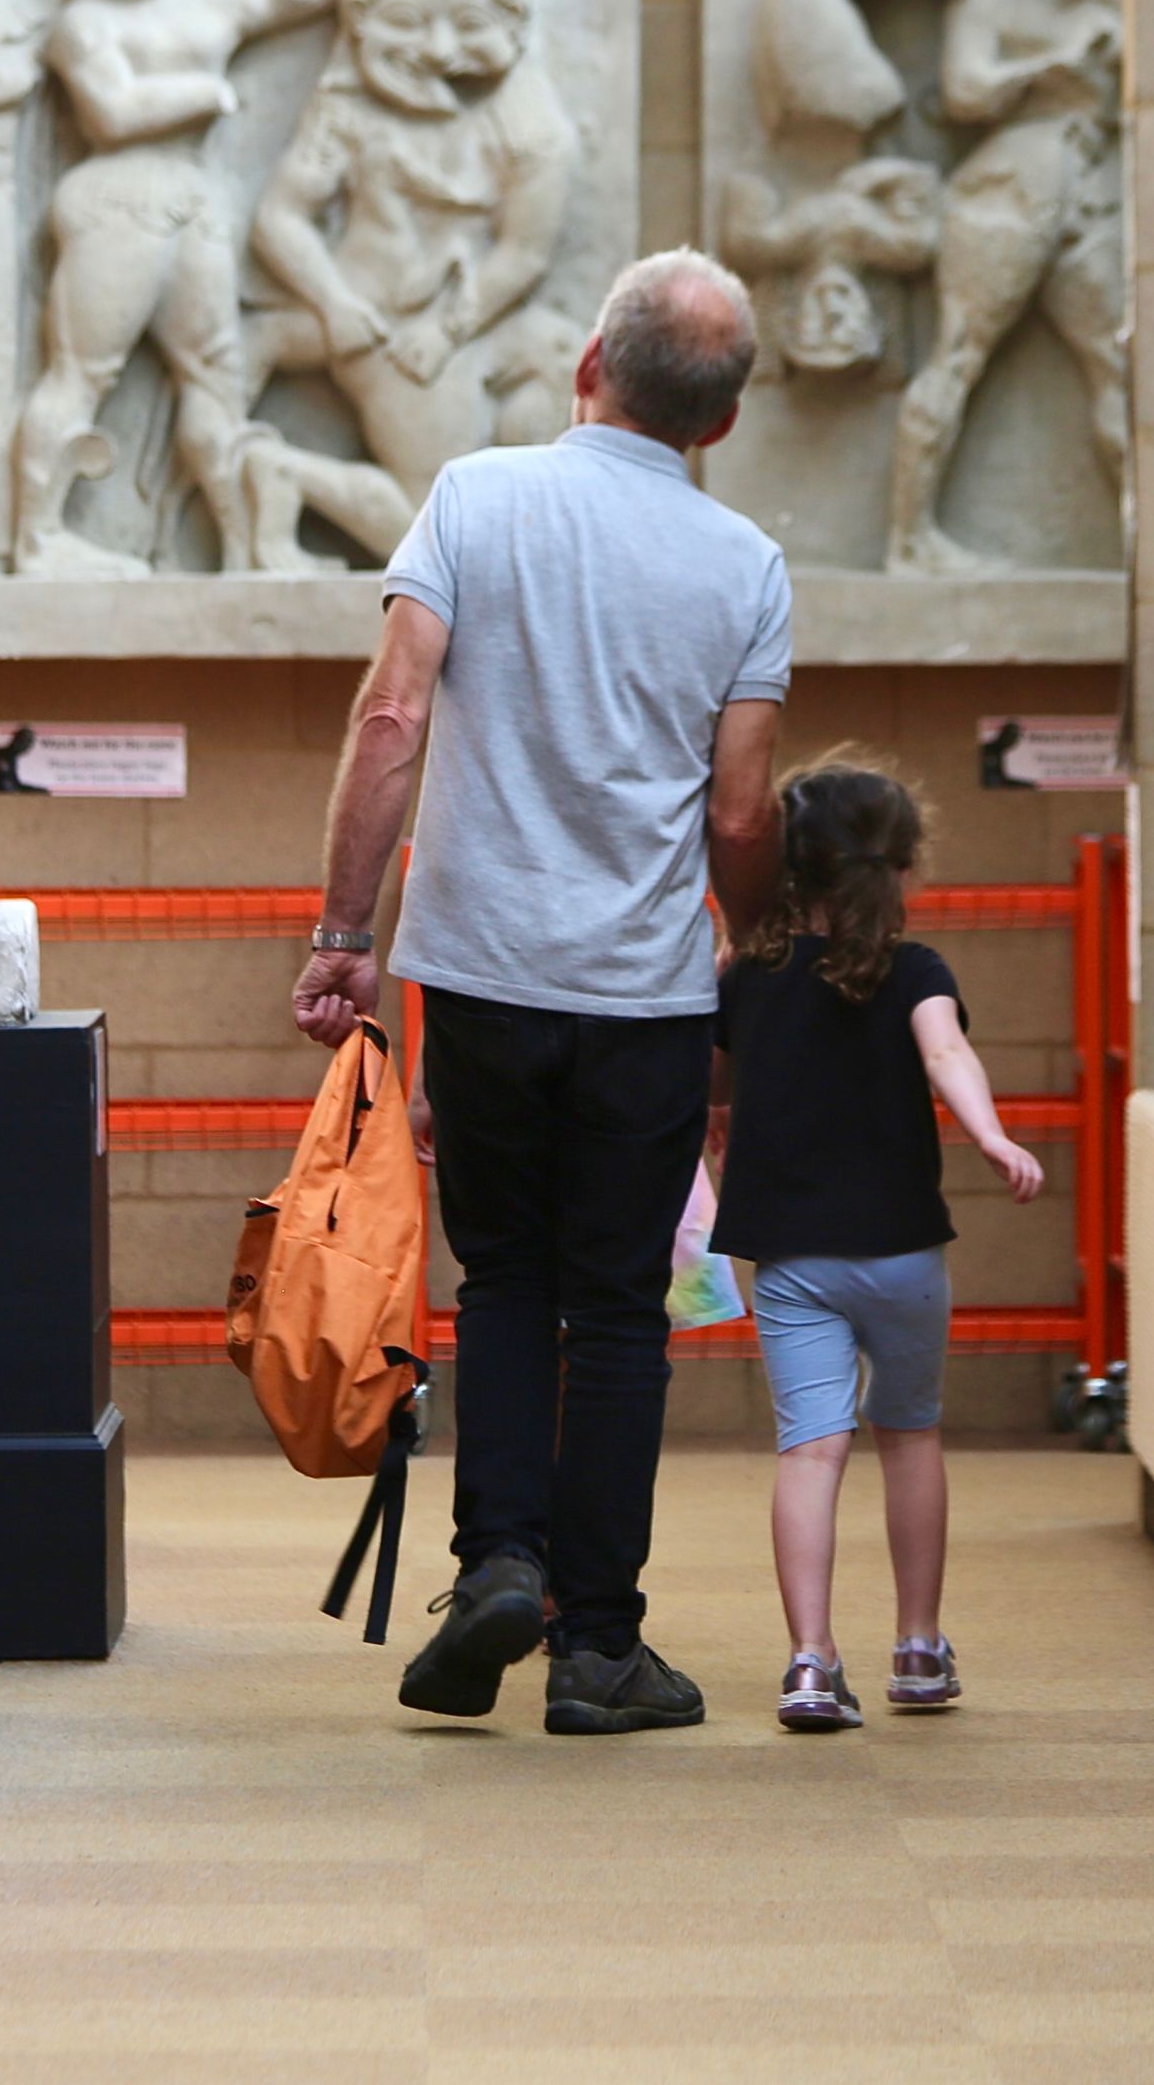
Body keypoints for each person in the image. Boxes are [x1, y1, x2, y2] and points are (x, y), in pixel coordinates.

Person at [292, 249, 790, 1733]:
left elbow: (393, 712)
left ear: (588, 362)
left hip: (484, 977)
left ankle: (498, 1558)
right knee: (618, 1312)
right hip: (644, 993)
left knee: (501, 1279)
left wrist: (341, 928)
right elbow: (746, 814)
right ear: (722, 421)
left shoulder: (477, 496)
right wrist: (748, 961)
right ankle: (600, 1644)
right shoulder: (744, 565)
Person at [709, 761, 1042, 1732]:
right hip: (901, 1250)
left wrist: (710, 1123)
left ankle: (810, 1661)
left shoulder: (748, 977)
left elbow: (707, 1077)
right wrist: (988, 1133)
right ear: (894, 870)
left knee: (810, 1452)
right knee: (910, 1435)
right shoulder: (915, 971)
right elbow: (945, 1052)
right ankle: (919, 1647)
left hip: (792, 1260)